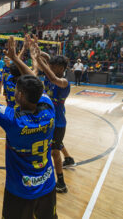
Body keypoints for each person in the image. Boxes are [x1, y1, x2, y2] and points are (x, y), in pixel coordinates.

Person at [0, 36, 57, 219]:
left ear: (20, 96)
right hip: (47, 185)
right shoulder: (49, 109)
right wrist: (16, 58)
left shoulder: (12, 119)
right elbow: (33, 80)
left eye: (16, 91)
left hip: (20, 191)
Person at [33, 41, 72, 193]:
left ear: (61, 69)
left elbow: (54, 80)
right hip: (46, 120)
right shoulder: (51, 74)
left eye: (53, 67)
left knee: (54, 152)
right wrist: (37, 51)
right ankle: (67, 160)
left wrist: (41, 62)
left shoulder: (64, 82)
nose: (50, 68)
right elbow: (46, 57)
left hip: (58, 123)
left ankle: (61, 183)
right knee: (48, 150)